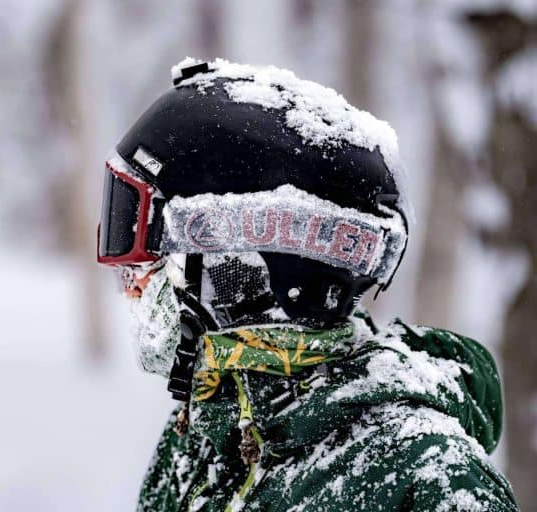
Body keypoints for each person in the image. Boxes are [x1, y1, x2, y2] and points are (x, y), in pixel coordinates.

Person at [97, 58, 519, 512]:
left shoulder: (424, 479)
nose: (132, 286)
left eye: (150, 257)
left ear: (240, 268)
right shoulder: (203, 438)